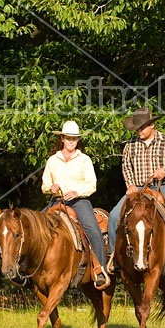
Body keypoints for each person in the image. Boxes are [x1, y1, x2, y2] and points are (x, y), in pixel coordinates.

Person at [107, 108, 165, 272]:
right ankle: (114, 256)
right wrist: (130, 185)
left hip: (163, 186)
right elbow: (126, 167)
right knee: (114, 215)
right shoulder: (130, 145)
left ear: (152, 125)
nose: (139, 131)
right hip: (137, 189)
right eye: (137, 128)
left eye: (142, 128)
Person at [42, 120, 110, 290]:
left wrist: (76, 192)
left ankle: (99, 270)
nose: (71, 141)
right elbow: (44, 184)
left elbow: (92, 184)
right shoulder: (52, 160)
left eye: (74, 139)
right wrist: (51, 187)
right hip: (57, 200)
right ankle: (28, 270)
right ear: (62, 139)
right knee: (37, 225)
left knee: (92, 228)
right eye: (68, 138)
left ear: (78, 140)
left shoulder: (84, 160)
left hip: (79, 201)